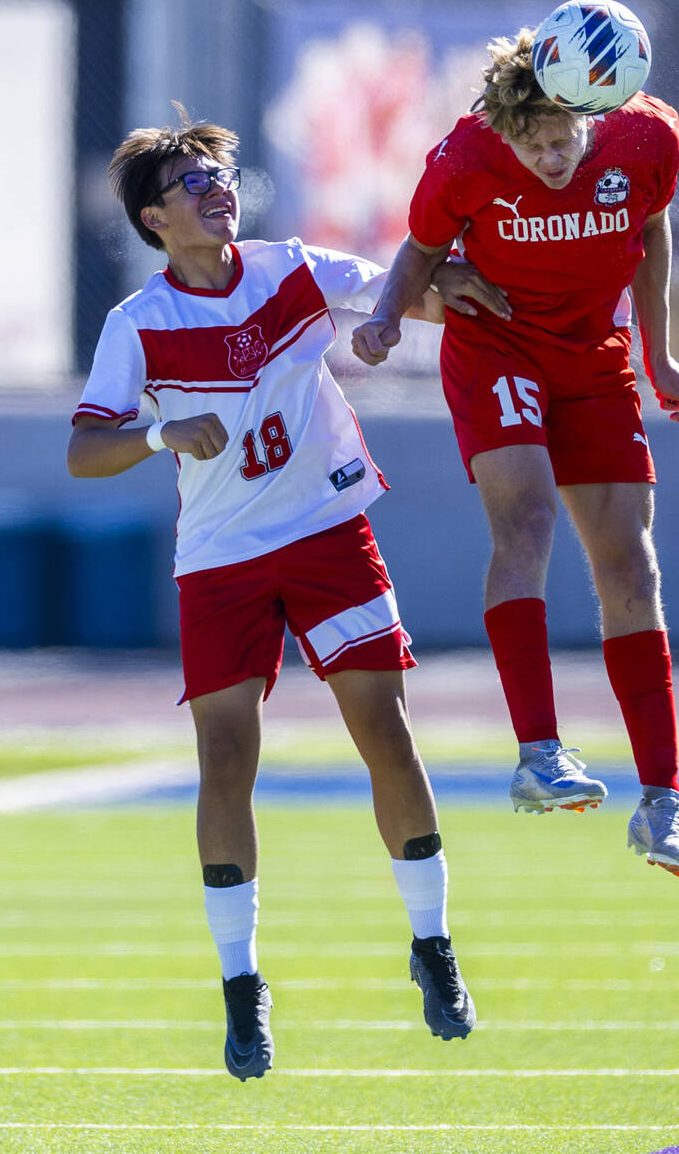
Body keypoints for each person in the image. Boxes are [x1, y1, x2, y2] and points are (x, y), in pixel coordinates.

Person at [67, 108, 477, 1081]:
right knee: (225, 758)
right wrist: (163, 436)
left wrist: (457, 285)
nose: (217, 188)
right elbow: (85, 450)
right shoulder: (140, 324)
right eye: (192, 182)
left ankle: (432, 947)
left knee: (384, 727)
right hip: (221, 559)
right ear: (153, 221)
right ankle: (241, 988)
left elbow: (411, 291)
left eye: (222, 173)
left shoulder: (291, 265)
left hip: (329, 533)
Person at [351, 25, 679, 881]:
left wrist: (656, 355)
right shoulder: (466, 157)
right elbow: (421, 248)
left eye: (565, 139)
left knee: (632, 567)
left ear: (595, 115)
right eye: (534, 143)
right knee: (529, 519)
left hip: (595, 357)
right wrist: (390, 315)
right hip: (497, 346)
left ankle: (662, 799)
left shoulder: (644, 134)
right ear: (505, 132)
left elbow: (650, 233)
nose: (552, 158)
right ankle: (539, 752)